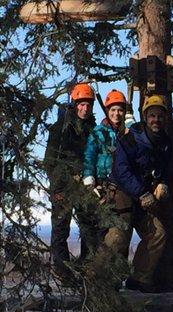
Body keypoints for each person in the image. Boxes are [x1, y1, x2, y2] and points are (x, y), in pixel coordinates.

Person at [110, 95, 171, 293]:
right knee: (118, 236)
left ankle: (139, 277)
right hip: (124, 194)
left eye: (160, 116)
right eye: (152, 116)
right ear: (145, 117)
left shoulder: (164, 143)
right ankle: (102, 280)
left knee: (157, 233)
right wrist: (141, 193)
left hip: (144, 197)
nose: (156, 120)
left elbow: (165, 169)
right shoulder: (131, 139)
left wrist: (162, 184)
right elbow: (121, 171)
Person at [44, 82, 96, 281]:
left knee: (88, 228)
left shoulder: (91, 129)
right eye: (81, 104)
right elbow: (50, 161)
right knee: (60, 230)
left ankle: (85, 271)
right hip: (63, 187)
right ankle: (62, 272)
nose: (85, 108)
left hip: (84, 185)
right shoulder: (60, 129)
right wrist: (57, 188)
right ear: (75, 104)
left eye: (88, 105)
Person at [82, 89, 128, 250]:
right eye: (113, 110)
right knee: (100, 230)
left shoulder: (126, 133)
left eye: (120, 110)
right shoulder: (99, 132)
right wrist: (89, 181)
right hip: (102, 185)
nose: (116, 114)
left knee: (119, 232)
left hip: (121, 187)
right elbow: (89, 156)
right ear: (107, 111)